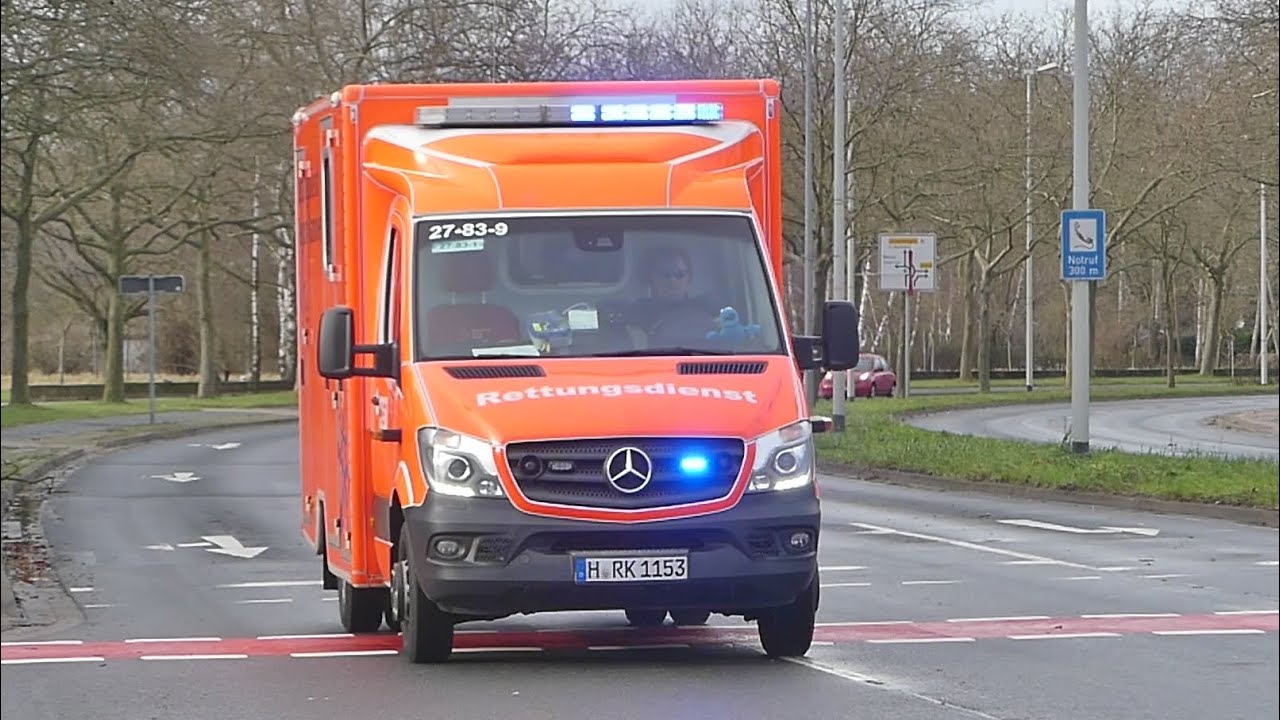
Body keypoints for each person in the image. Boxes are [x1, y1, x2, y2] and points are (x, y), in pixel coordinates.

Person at [626, 246, 720, 344]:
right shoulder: (639, 312)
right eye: (665, 274)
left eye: (680, 274)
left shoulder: (708, 307)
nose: (673, 280)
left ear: (689, 277)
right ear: (651, 278)